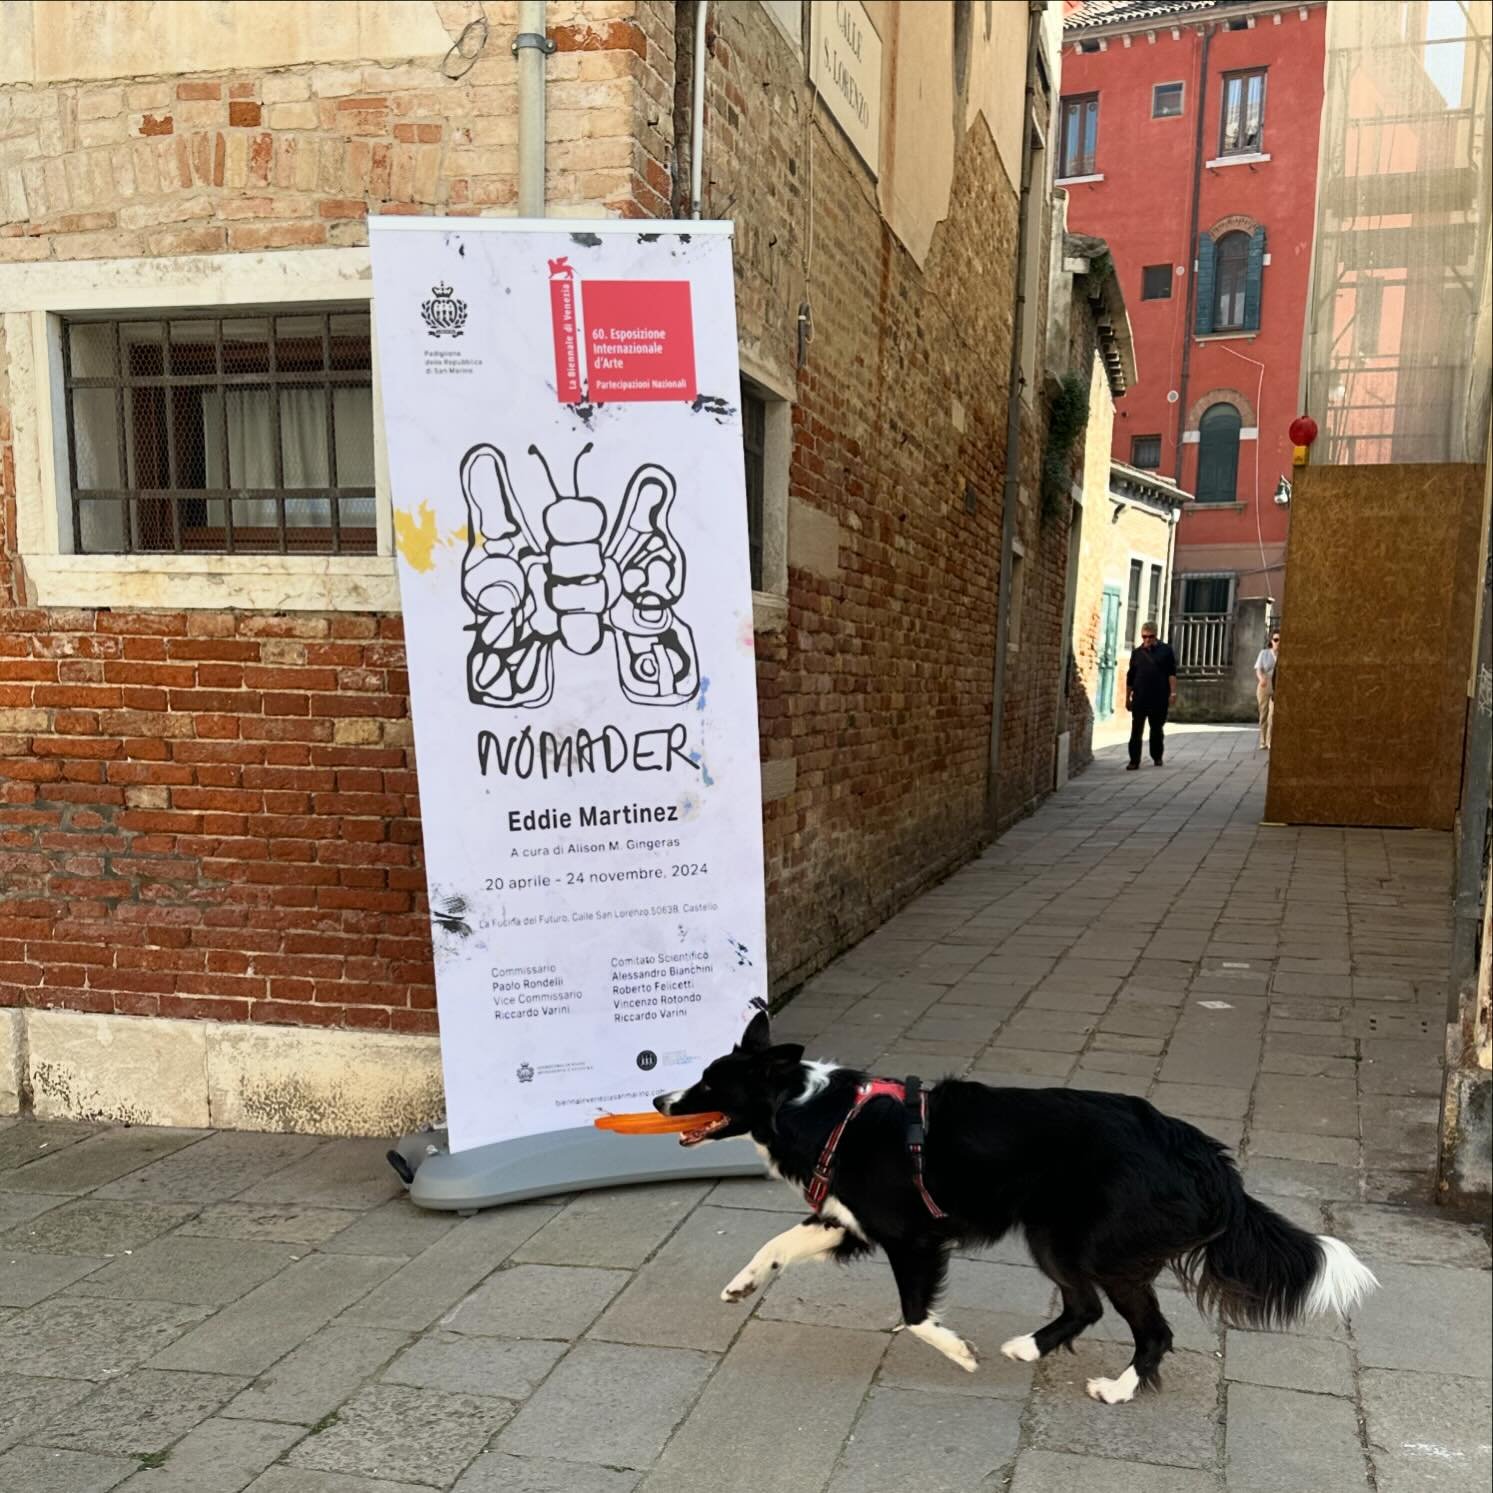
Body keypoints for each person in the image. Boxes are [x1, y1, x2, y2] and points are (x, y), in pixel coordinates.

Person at [1126, 621, 1177, 769]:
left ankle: (1157, 756)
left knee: (1156, 729)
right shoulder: (1136, 653)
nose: (1147, 639)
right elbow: (1130, 677)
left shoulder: (1166, 651)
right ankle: (1134, 760)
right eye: (1144, 636)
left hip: (1159, 696)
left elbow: (1171, 674)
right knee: (1136, 730)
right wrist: (1127, 697)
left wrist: (1173, 693)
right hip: (1140, 697)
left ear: (1156, 636)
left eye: (1150, 636)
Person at [1255, 628, 1280, 750]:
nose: (1278, 642)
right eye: (1276, 640)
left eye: (1280, 640)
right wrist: (1261, 679)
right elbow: (1258, 669)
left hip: (1277, 686)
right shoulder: (1264, 653)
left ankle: (1270, 741)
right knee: (1263, 714)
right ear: (1271, 641)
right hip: (1265, 684)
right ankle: (1262, 741)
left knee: (1273, 715)